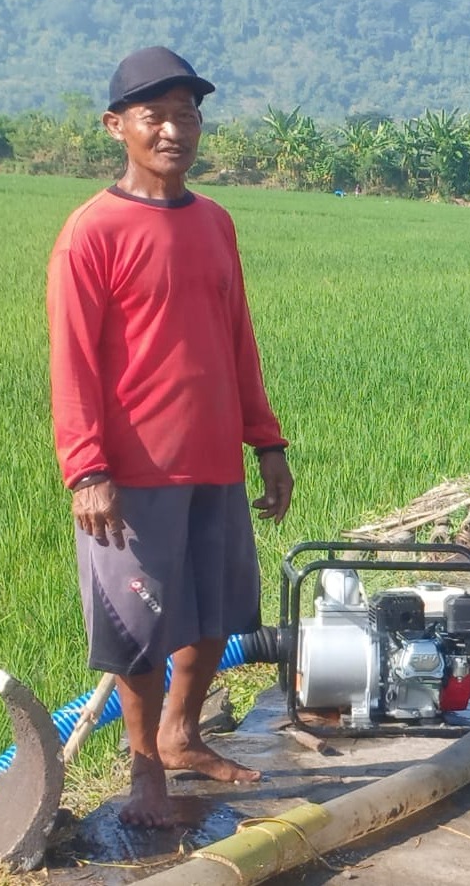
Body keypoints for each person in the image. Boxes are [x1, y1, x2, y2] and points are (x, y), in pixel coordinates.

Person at [47, 47, 293, 828]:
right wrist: (86, 469)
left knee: (216, 614)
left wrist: (268, 442)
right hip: (133, 474)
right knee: (140, 630)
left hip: (214, 460)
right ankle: (143, 773)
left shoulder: (215, 223)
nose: (174, 129)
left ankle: (183, 737)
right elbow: (73, 359)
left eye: (187, 113)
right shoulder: (92, 232)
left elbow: (237, 340)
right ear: (117, 126)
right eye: (155, 115)